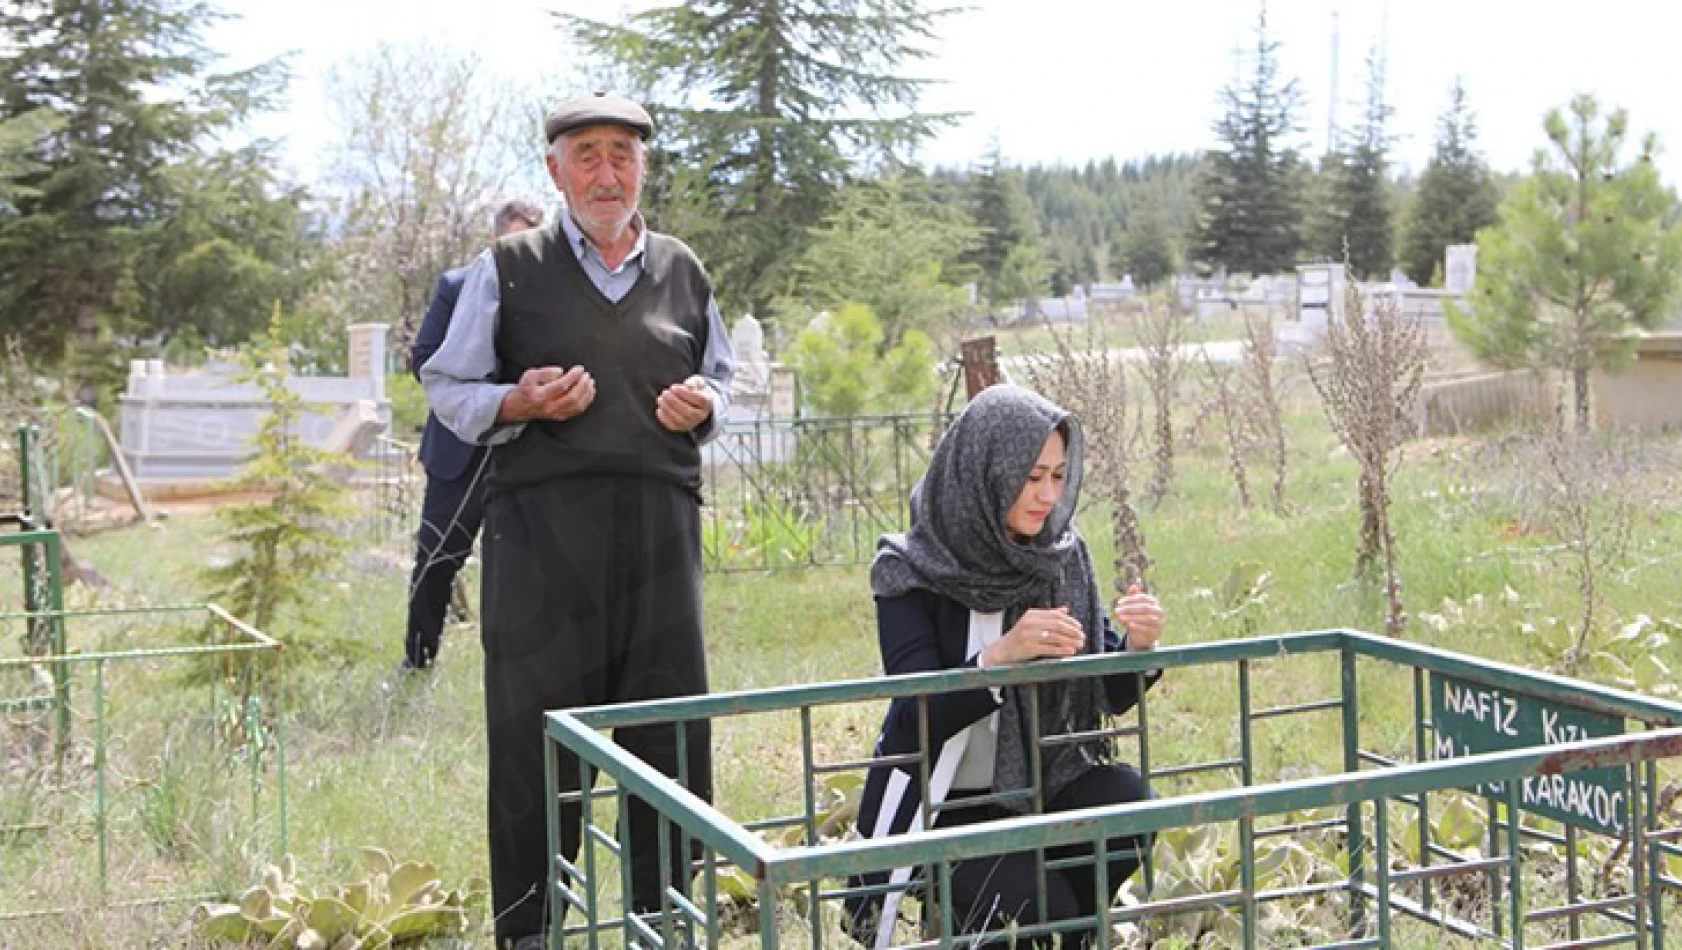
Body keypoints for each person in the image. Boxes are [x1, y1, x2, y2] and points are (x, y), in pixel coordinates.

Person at [420, 92, 736, 950]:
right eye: (587, 155)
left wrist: (702, 404)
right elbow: (447, 387)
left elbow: (725, 380)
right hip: (541, 542)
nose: (607, 173)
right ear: (555, 169)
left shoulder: (683, 269)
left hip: (661, 543)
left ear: (642, 167)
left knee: (666, 740)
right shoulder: (510, 267)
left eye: (622, 155)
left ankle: (660, 926)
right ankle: (531, 935)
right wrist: (516, 399)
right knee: (535, 749)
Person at [845, 384, 1165, 950]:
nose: (1047, 496)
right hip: (946, 804)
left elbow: (1106, 694)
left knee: (1128, 804)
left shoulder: (1059, 557)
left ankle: (1034, 928)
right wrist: (999, 658)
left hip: (1043, 785)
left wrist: (1138, 648)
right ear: (986, 471)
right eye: (1031, 476)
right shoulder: (909, 570)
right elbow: (915, 715)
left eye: (1058, 476)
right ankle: (1024, 923)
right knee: (1044, 914)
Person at [403, 196, 544, 670]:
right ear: (493, 240)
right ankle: (418, 658)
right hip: (457, 452)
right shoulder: (456, 286)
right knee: (438, 558)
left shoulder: (553, 294)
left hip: (527, 451)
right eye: (511, 242)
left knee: (526, 568)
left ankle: (521, 666)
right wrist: (488, 394)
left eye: (529, 243)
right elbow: (424, 359)